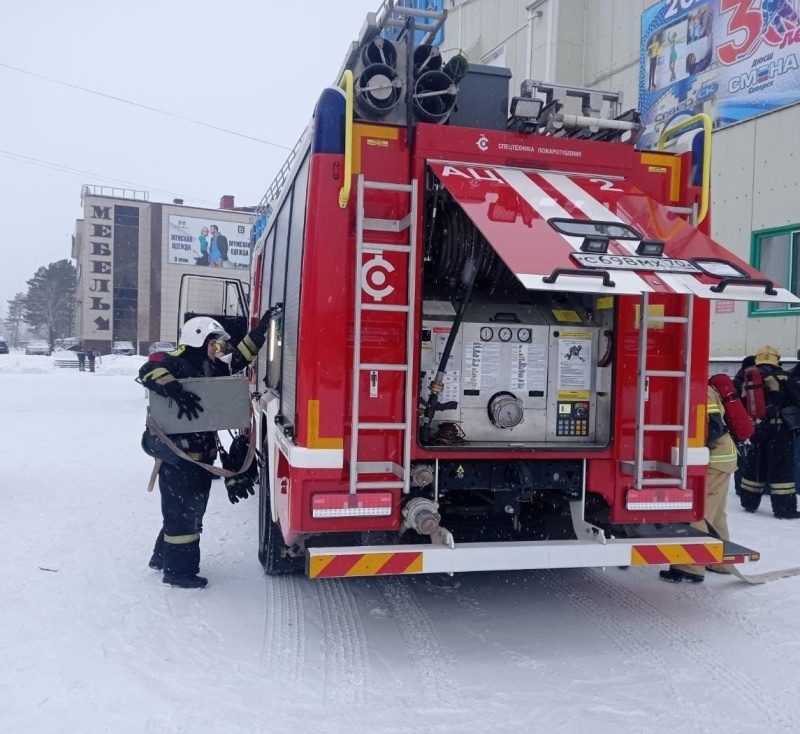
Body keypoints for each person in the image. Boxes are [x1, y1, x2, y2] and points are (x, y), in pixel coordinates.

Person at [138, 312, 271, 589]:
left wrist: (259, 333)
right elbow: (147, 371)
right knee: (184, 516)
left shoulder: (210, 366)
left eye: (219, 345)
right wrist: (174, 388)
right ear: (198, 339)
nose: (217, 350)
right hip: (179, 459)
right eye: (214, 344)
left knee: (186, 512)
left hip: (200, 459)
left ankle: (161, 557)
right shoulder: (175, 362)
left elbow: (238, 361)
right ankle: (180, 573)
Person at [659, 383, 739, 583]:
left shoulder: (702, 390)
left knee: (700, 511)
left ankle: (690, 567)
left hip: (715, 459)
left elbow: (713, 426)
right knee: (717, 513)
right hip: (722, 458)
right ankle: (720, 561)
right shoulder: (705, 387)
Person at [739, 346, 800, 518]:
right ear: (776, 359)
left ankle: (748, 501)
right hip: (780, 430)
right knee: (781, 469)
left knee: (756, 463)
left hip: (757, 429)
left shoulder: (750, 377)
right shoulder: (784, 377)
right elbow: (796, 399)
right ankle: (784, 509)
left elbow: (744, 403)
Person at [732, 355, 756, 496]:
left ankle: (742, 485)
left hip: (744, 422)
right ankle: (740, 485)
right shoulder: (740, 381)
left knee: (745, 454)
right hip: (742, 423)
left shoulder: (740, 380)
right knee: (742, 455)